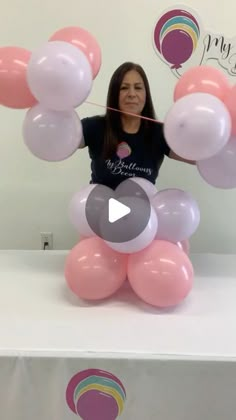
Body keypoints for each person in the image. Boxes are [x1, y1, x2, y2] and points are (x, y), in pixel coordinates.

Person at [79, 62, 194, 190]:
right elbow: (60, 140)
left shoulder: (161, 133)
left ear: (146, 94)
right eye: (124, 88)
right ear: (114, 93)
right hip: (100, 208)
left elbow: (199, 157)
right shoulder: (94, 127)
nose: (132, 94)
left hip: (143, 209)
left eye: (138, 88)